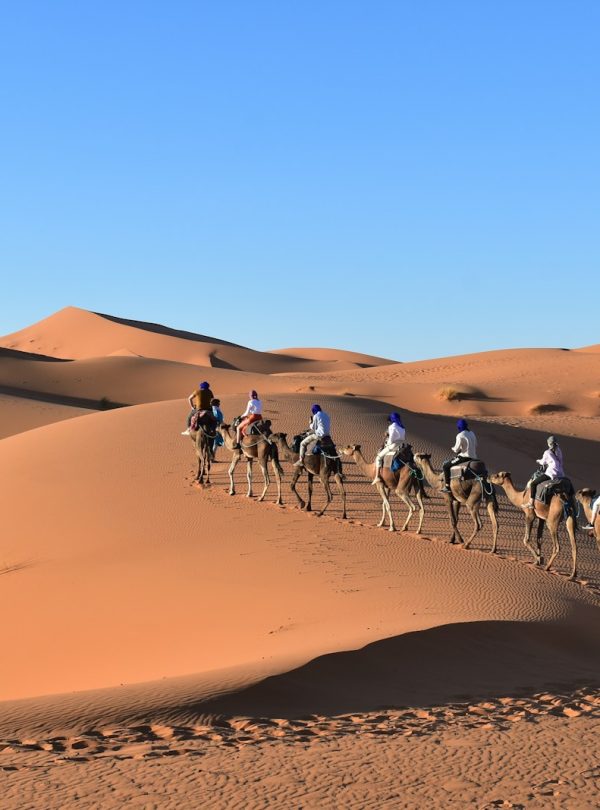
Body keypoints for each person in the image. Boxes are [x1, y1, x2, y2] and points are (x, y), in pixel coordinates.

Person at [525, 436, 564, 508]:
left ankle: (531, 502)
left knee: (533, 484)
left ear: (549, 444)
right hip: (561, 474)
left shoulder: (547, 452)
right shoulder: (559, 450)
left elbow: (543, 462)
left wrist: (538, 461)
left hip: (551, 473)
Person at [442, 418, 478, 492]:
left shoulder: (460, 435)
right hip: (474, 457)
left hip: (464, 457)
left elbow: (456, 449)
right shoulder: (472, 433)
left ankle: (447, 486)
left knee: (446, 466)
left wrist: (453, 448)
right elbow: (476, 444)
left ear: (459, 427)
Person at [371, 412, 406, 484]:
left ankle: (377, 476)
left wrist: (387, 444)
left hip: (393, 445)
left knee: (378, 457)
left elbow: (391, 439)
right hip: (402, 445)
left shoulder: (392, 427)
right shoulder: (402, 427)